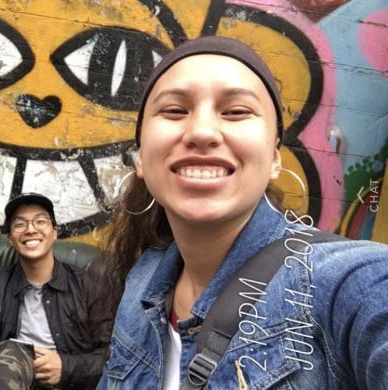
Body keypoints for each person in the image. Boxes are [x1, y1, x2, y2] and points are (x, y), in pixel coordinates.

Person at [97, 36, 388, 389]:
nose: (202, 132)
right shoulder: (144, 278)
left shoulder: (347, 282)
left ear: (275, 158)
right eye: (174, 110)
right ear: (141, 158)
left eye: (236, 112)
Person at [0, 193, 109, 389]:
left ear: (54, 232)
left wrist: (65, 367)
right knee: (12, 351)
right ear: (10, 238)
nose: (30, 229)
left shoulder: (88, 286)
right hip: (5, 381)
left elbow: (114, 354)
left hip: (68, 384)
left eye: (40, 221)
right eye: (19, 224)